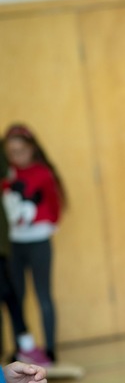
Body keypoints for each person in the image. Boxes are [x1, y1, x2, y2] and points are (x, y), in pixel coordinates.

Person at [1, 124, 65, 366]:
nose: (16, 156)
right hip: (16, 245)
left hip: (38, 241)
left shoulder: (42, 173)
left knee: (43, 295)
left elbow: (54, 203)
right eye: (11, 152)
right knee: (17, 296)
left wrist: (49, 224)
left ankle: (49, 349)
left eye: (20, 151)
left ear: (31, 149)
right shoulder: (8, 175)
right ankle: (22, 349)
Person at [0, 139, 42, 365]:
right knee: (9, 295)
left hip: (6, 246)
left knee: (10, 295)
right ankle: (24, 346)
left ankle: (25, 347)